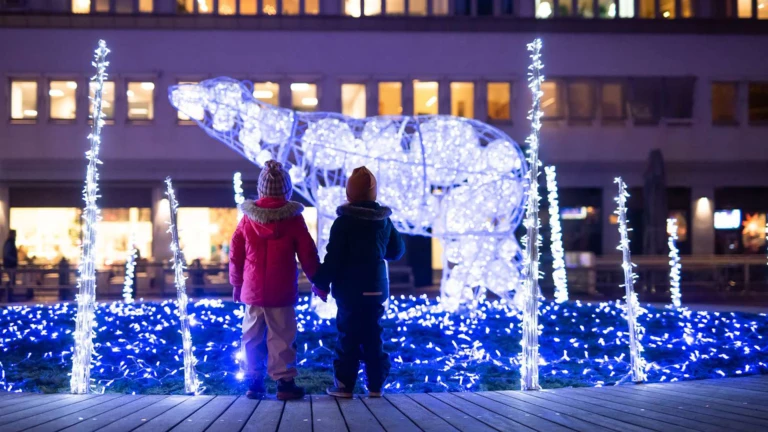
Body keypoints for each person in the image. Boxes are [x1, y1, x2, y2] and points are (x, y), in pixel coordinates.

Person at [229, 160, 320, 401]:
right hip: (281, 292)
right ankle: (284, 383)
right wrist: (318, 281)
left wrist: (237, 283)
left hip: (253, 291)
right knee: (282, 336)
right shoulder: (294, 220)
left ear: (261, 190)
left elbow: (235, 251)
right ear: (287, 191)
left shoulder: (248, 219)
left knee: (251, 336)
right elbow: (308, 253)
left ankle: (253, 381)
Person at [312, 166, 405, 399]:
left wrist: (321, 283)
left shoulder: (344, 223)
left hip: (350, 291)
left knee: (348, 335)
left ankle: (344, 385)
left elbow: (333, 259)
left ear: (349, 194)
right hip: (376, 288)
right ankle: (376, 385)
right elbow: (397, 251)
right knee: (374, 335)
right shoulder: (384, 221)